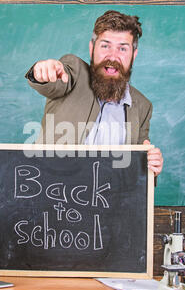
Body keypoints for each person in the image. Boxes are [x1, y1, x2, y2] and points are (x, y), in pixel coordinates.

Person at [25, 10, 163, 177]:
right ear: (92, 48)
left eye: (122, 49)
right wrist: (41, 72)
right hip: (53, 195)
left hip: (109, 200)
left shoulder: (142, 106)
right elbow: (53, 83)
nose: (112, 56)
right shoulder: (74, 72)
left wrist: (151, 167)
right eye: (105, 46)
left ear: (134, 55)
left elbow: (137, 171)